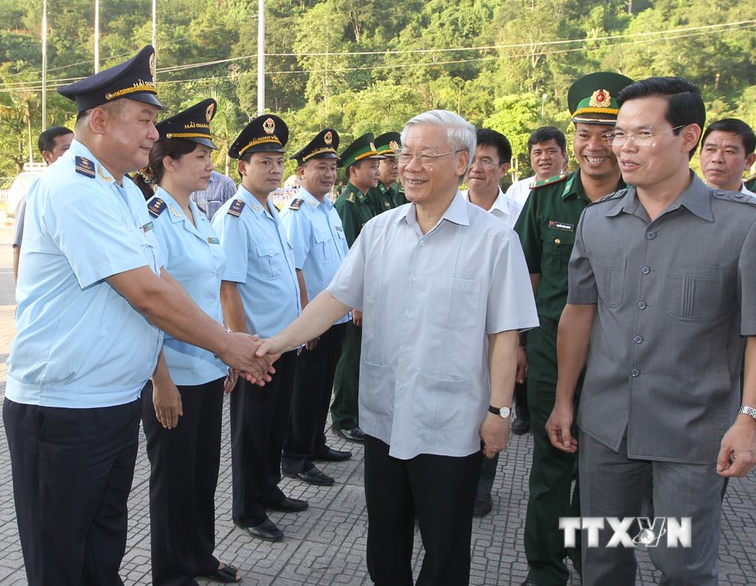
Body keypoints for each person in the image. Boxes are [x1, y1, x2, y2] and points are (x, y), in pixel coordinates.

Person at [4, 46, 272, 585]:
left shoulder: (123, 189)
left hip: (109, 401)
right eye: (145, 121)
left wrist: (226, 340)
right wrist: (226, 344)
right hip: (62, 409)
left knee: (103, 548)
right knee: (61, 559)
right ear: (99, 120)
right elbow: (145, 294)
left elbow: (161, 278)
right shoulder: (73, 189)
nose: (155, 134)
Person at [258, 109, 537, 585]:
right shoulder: (380, 230)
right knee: (384, 540)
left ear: (460, 162)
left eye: (426, 155)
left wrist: (500, 413)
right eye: (405, 154)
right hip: (386, 415)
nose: (410, 165)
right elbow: (333, 299)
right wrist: (274, 345)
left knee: (446, 545)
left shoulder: (494, 241)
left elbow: (504, 335)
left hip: (451, 423)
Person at [547, 76, 756, 585]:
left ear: (688, 137)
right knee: (602, 561)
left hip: (692, 437)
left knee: (681, 564)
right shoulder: (599, 222)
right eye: (619, 134)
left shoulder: (743, 225)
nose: (621, 147)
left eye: (640, 134)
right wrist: (563, 400)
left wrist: (749, 418)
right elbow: (579, 313)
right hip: (606, 433)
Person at [514, 72, 631, 586]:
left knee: (610, 473)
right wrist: (518, 345)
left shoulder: (646, 201)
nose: (595, 145)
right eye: (584, 132)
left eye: (609, 133)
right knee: (551, 465)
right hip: (549, 353)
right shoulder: (543, 202)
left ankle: (597, 563)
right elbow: (525, 281)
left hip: (620, 360)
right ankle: (545, 568)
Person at [140, 98, 243, 585]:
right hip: (173, 377)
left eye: (210, 155)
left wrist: (223, 360)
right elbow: (150, 307)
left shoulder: (200, 216)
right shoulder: (154, 218)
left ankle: (201, 556)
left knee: (203, 476)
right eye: (200, 156)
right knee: (173, 482)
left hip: (206, 369)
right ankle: (171, 574)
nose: (209, 165)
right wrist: (161, 382)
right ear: (170, 162)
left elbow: (211, 294)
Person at [212, 114, 305, 543]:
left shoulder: (273, 211)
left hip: (282, 344)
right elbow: (228, 288)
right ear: (242, 168)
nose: (273, 168)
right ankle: (247, 509)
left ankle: (269, 491)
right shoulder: (235, 216)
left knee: (274, 427)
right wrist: (243, 349)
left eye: (278, 160)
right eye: (264, 161)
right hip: (257, 349)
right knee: (251, 432)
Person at [280, 128, 353, 488]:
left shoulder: (329, 210)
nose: (327, 173)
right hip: (315, 320)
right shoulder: (297, 213)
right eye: (320, 166)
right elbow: (293, 269)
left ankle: (316, 443)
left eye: (331, 167)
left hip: (335, 316)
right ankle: (296, 457)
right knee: (305, 390)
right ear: (301, 172)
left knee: (323, 387)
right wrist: (307, 322)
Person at [463, 128, 523, 518]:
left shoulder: (519, 217)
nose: (477, 168)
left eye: (487, 161)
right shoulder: (444, 207)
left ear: (503, 169)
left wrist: (520, 346)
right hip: (454, 334)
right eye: (473, 158)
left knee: (493, 409)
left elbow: (528, 284)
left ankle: (481, 487)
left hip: (499, 337)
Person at [330, 132, 384, 443]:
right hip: (355, 298)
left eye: (378, 165)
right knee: (349, 359)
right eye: (371, 166)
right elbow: (349, 260)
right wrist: (356, 302)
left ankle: (356, 413)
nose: (377, 170)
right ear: (354, 171)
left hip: (369, 293)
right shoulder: (348, 205)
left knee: (361, 356)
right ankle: (344, 417)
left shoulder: (367, 200)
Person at [11, 126, 73, 280]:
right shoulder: (34, 196)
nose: (73, 153)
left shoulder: (80, 190)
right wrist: (20, 296)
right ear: (47, 155)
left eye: (76, 146)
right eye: (66, 148)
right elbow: (19, 248)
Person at [506, 126, 568, 206]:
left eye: (551, 151)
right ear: (530, 156)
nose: (544, 158)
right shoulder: (516, 190)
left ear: (563, 154)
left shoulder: (573, 188)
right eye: (538, 153)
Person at [698, 118, 756, 196]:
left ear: (749, 160)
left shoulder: (755, 206)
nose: (717, 159)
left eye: (729, 151)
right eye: (710, 149)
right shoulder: (681, 203)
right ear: (700, 154)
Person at [368, 131, 401, 214]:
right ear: (377, 163)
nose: (395, 166)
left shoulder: (390, 193)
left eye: (397, 161)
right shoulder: (371, 194)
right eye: (390, 161)